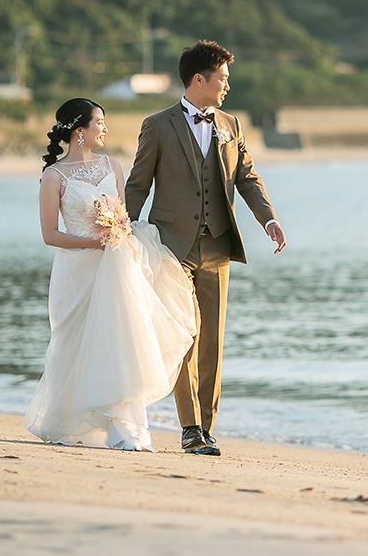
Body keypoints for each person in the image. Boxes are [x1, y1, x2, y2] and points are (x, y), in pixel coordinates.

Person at [126, 41, 286, 457]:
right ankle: (190, 427)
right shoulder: (157, 125)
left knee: (212, 340)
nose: (227, 86)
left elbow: (247, 177)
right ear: (200, 79)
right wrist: (123, 231)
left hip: (216, 248)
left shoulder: (231, 124)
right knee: (185, 336)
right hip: (172, 248)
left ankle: (207, 428)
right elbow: (138, 184)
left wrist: (267, 218)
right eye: (223, 78)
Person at [25, 98, 197, 452]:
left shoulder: (112, 165)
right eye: (99, 122)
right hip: (76, 271)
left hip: (115, 266)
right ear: (79, 131)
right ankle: (70, 424)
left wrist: (119, 234)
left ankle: (126, 431)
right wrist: (93, 242)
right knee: (72, 343)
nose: (104, 128)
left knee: (119, 341)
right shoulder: (53, 176)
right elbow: (50, 234)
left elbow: (122, 216)